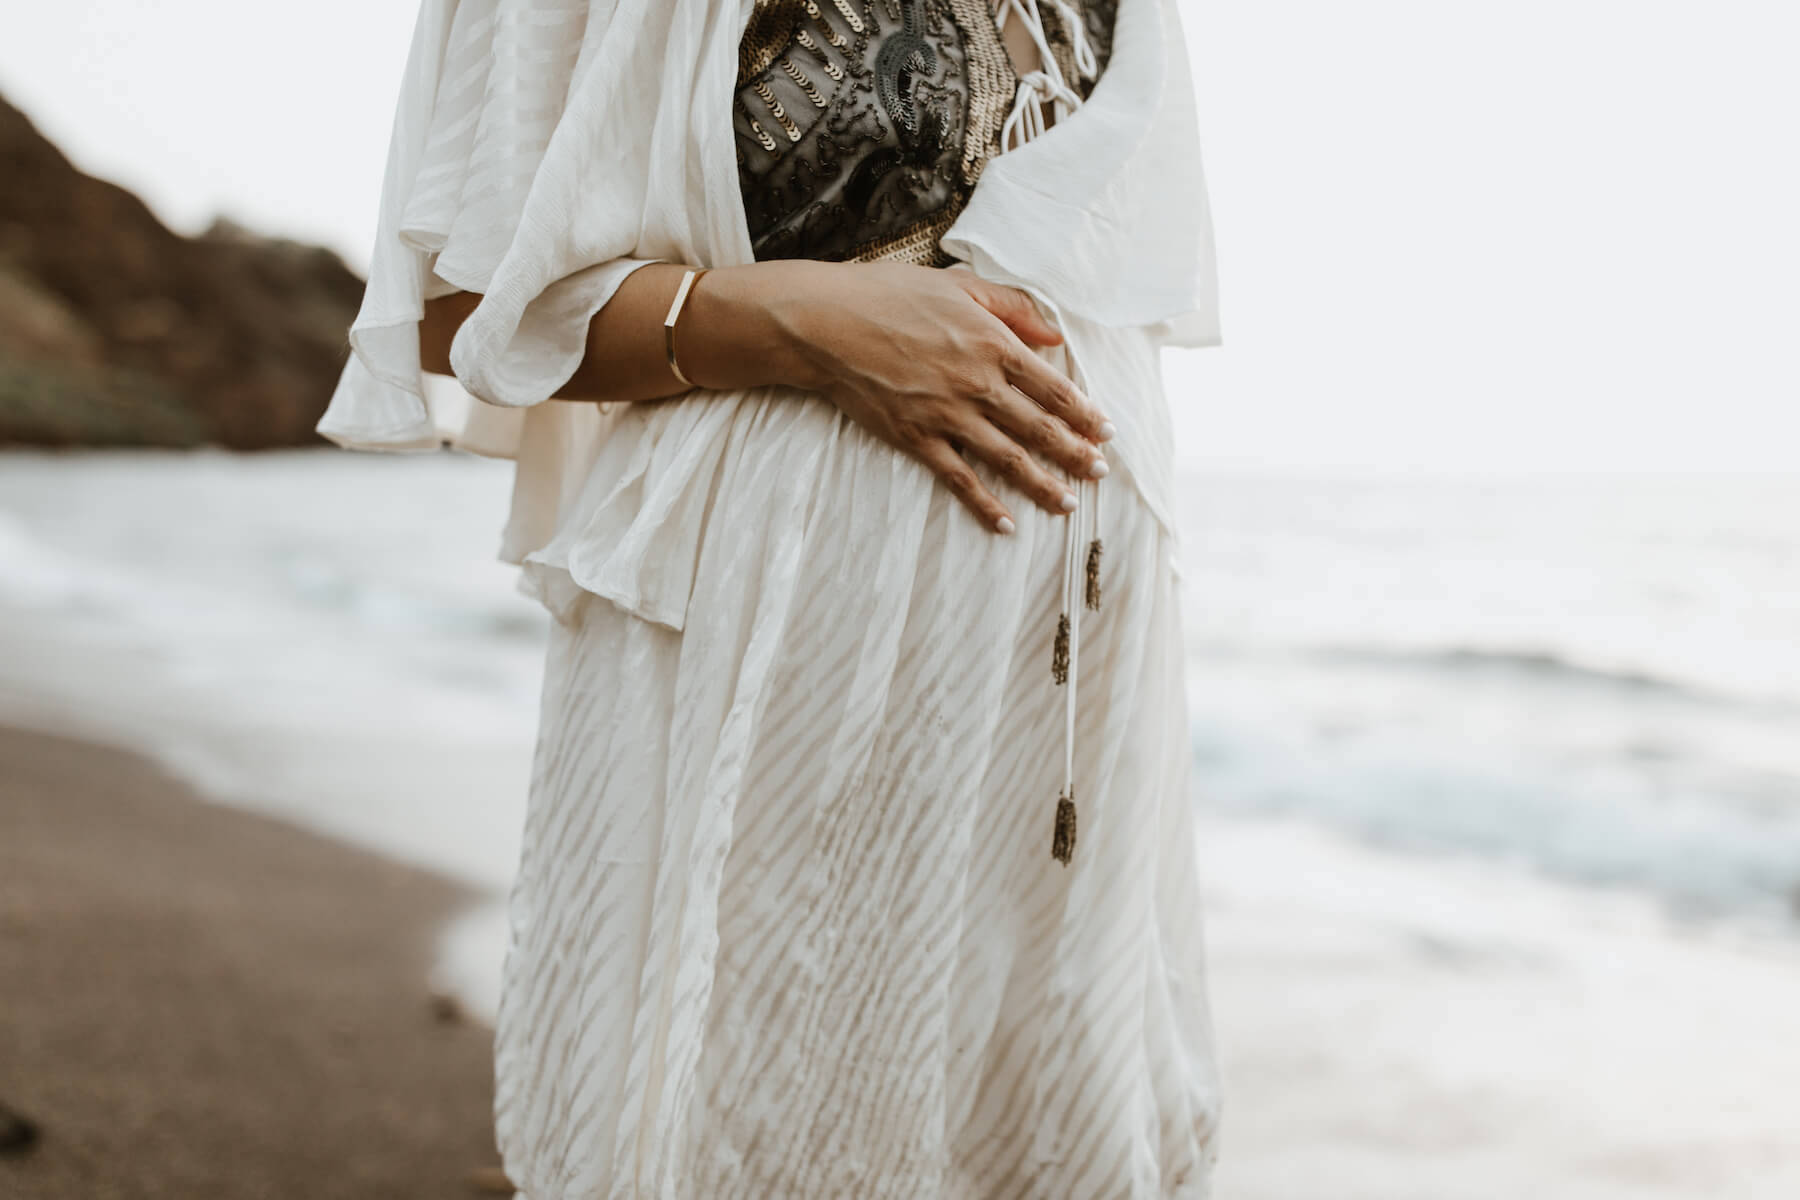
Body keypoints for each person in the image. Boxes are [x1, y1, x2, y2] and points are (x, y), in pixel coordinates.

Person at [318, 0, 1226, 1194]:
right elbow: (459, 301)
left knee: (1051, 1124)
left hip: (1065, 668)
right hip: (787, 624)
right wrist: (796, 322)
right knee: (760, 1121)